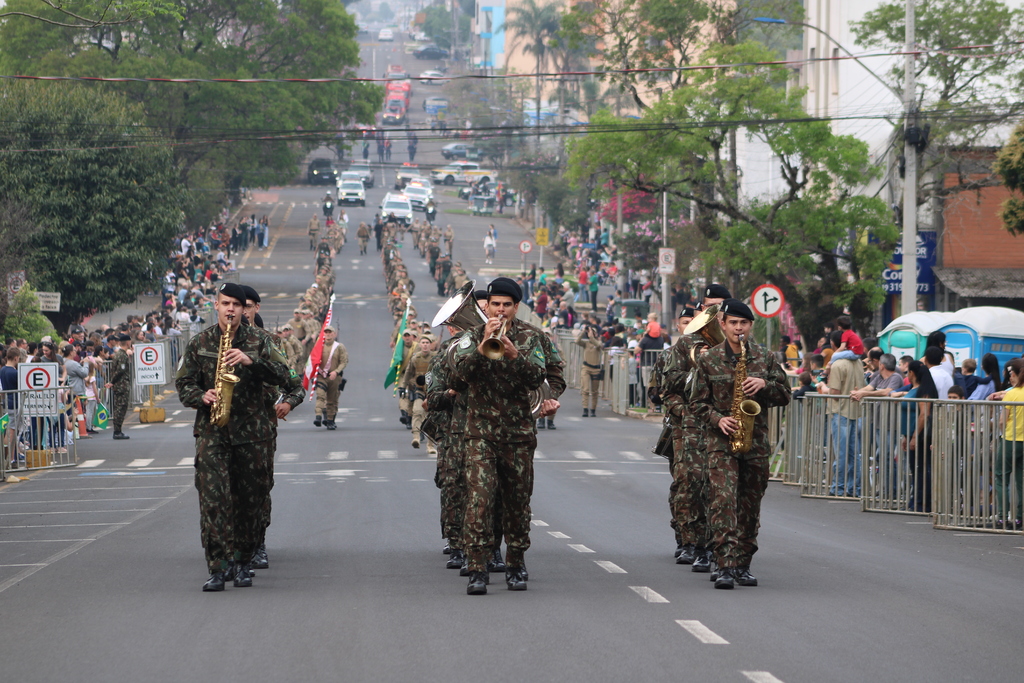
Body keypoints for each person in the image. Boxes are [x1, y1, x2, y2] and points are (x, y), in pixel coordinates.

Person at [175, 282, 298, 591]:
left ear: (246, 309)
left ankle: (243, 562)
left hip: (253, 434)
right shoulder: (200, 342)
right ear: (216, 305)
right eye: (225, 303)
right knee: (213, 500)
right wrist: (202, 396)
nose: (230, 309)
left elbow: (289, 378)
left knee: (250, 501)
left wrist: (250, 362)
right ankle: (218, 567)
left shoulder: (261, 341)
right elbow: (184, 383)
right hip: (213, 431)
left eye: (236, 304)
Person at [450, 277, 565, 594]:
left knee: (517, 502)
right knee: (479, 501)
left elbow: (540, 376)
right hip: (480, 433)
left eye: (506, 305)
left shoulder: (533, 337)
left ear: (516, 307)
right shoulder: (470, 336)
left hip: (518, 434)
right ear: (487, 306)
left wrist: (515, 355)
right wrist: (481, 346)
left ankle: (515, 563)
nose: (500, 310)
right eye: (495, 304)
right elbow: (458, 377)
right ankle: (477, 567)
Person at [690, 299, 791, 589]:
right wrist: (717, 420)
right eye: (732, 322)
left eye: (743, 323)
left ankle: (743, 563)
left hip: (755, 442)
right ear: (722, 324)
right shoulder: (708, 360)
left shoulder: (766, 357)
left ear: (750, 326)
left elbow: (785, 394)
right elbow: (696, 403)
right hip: (721, 443)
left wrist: (765, 385)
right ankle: (724, 565)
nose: (738, 328)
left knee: (749, 505)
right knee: (723, 501)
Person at [661, 288, 728, 567]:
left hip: (724, 425)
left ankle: (717, 544)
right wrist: (697, 370)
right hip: (690, 426)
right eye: (709, 307)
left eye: (720, 307)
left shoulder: (738, 344)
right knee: (689, 485)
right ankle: (691, 541)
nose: (714, 312)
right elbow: (669, 385)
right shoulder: (686, 344)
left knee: (720, 489)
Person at [817, 330, 865, 497]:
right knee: (854, 453)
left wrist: (823, 388)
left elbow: (835, 392)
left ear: (833, 344)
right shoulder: (858, 363)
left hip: (840, 411)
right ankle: (855, 488)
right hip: (856, 411)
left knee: (841, 452)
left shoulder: (837, 365)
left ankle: (838, 487)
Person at [899, 360, 937, 513]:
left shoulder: (923, 390)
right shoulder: (916, 388)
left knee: (921, 469)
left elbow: (923, 414)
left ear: (912, 373)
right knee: (916, 469)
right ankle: (916, 500)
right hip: (913, 433)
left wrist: (914, 436)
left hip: (921, 435)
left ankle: (922, 502)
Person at [991, 358, 1024, 529]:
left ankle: (1003, 517)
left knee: (1001, 477)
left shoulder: (1011, 394)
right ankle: (1020, 518)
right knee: (1021, 480)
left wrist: (1000, 430)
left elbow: (1003, 421)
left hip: (1011, 439)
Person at [402, 333, 437, 453]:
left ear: (430, 345)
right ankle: (416, 437)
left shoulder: (436, 358)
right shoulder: (415, 358)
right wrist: (403, 387)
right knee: (417, 411)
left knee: (432, 417)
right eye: (423, 343)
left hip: (433, 391)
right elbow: (408, 373)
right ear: (420, 345)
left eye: (427, 343)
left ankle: (430, 445)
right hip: (419, 390)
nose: (425, 345)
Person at [313, 325, 348, 430]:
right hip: (321, 376)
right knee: (320, 395)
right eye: (326, 333)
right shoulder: (319, 345)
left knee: (332, 400)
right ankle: (318, 416)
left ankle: (330, 420)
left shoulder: (339, 347)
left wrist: (336, 372)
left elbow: (344, 361)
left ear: (334, 334)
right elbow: (312, 359)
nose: (328, 335)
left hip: (334, 377)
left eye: (330, 333)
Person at [105, 334, 133, 440]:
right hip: (122, 385)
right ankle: (117, 431)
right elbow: (120, 370)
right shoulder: (122, 355)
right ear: (127, 342)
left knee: (119, 407)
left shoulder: (119, 354)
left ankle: (118, 430)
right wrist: (112, 381)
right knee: (120, 407)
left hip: (120, 384)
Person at [576, 318, 604, 417]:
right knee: (585, 389)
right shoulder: (586, 343)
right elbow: (577, 341)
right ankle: (585, 409)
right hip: (586, 368)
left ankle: (593, 409)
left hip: (596, 369)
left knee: (595, 391)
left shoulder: (598, 343)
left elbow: (599, 346)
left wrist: (592, 337)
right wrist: (583, 331)